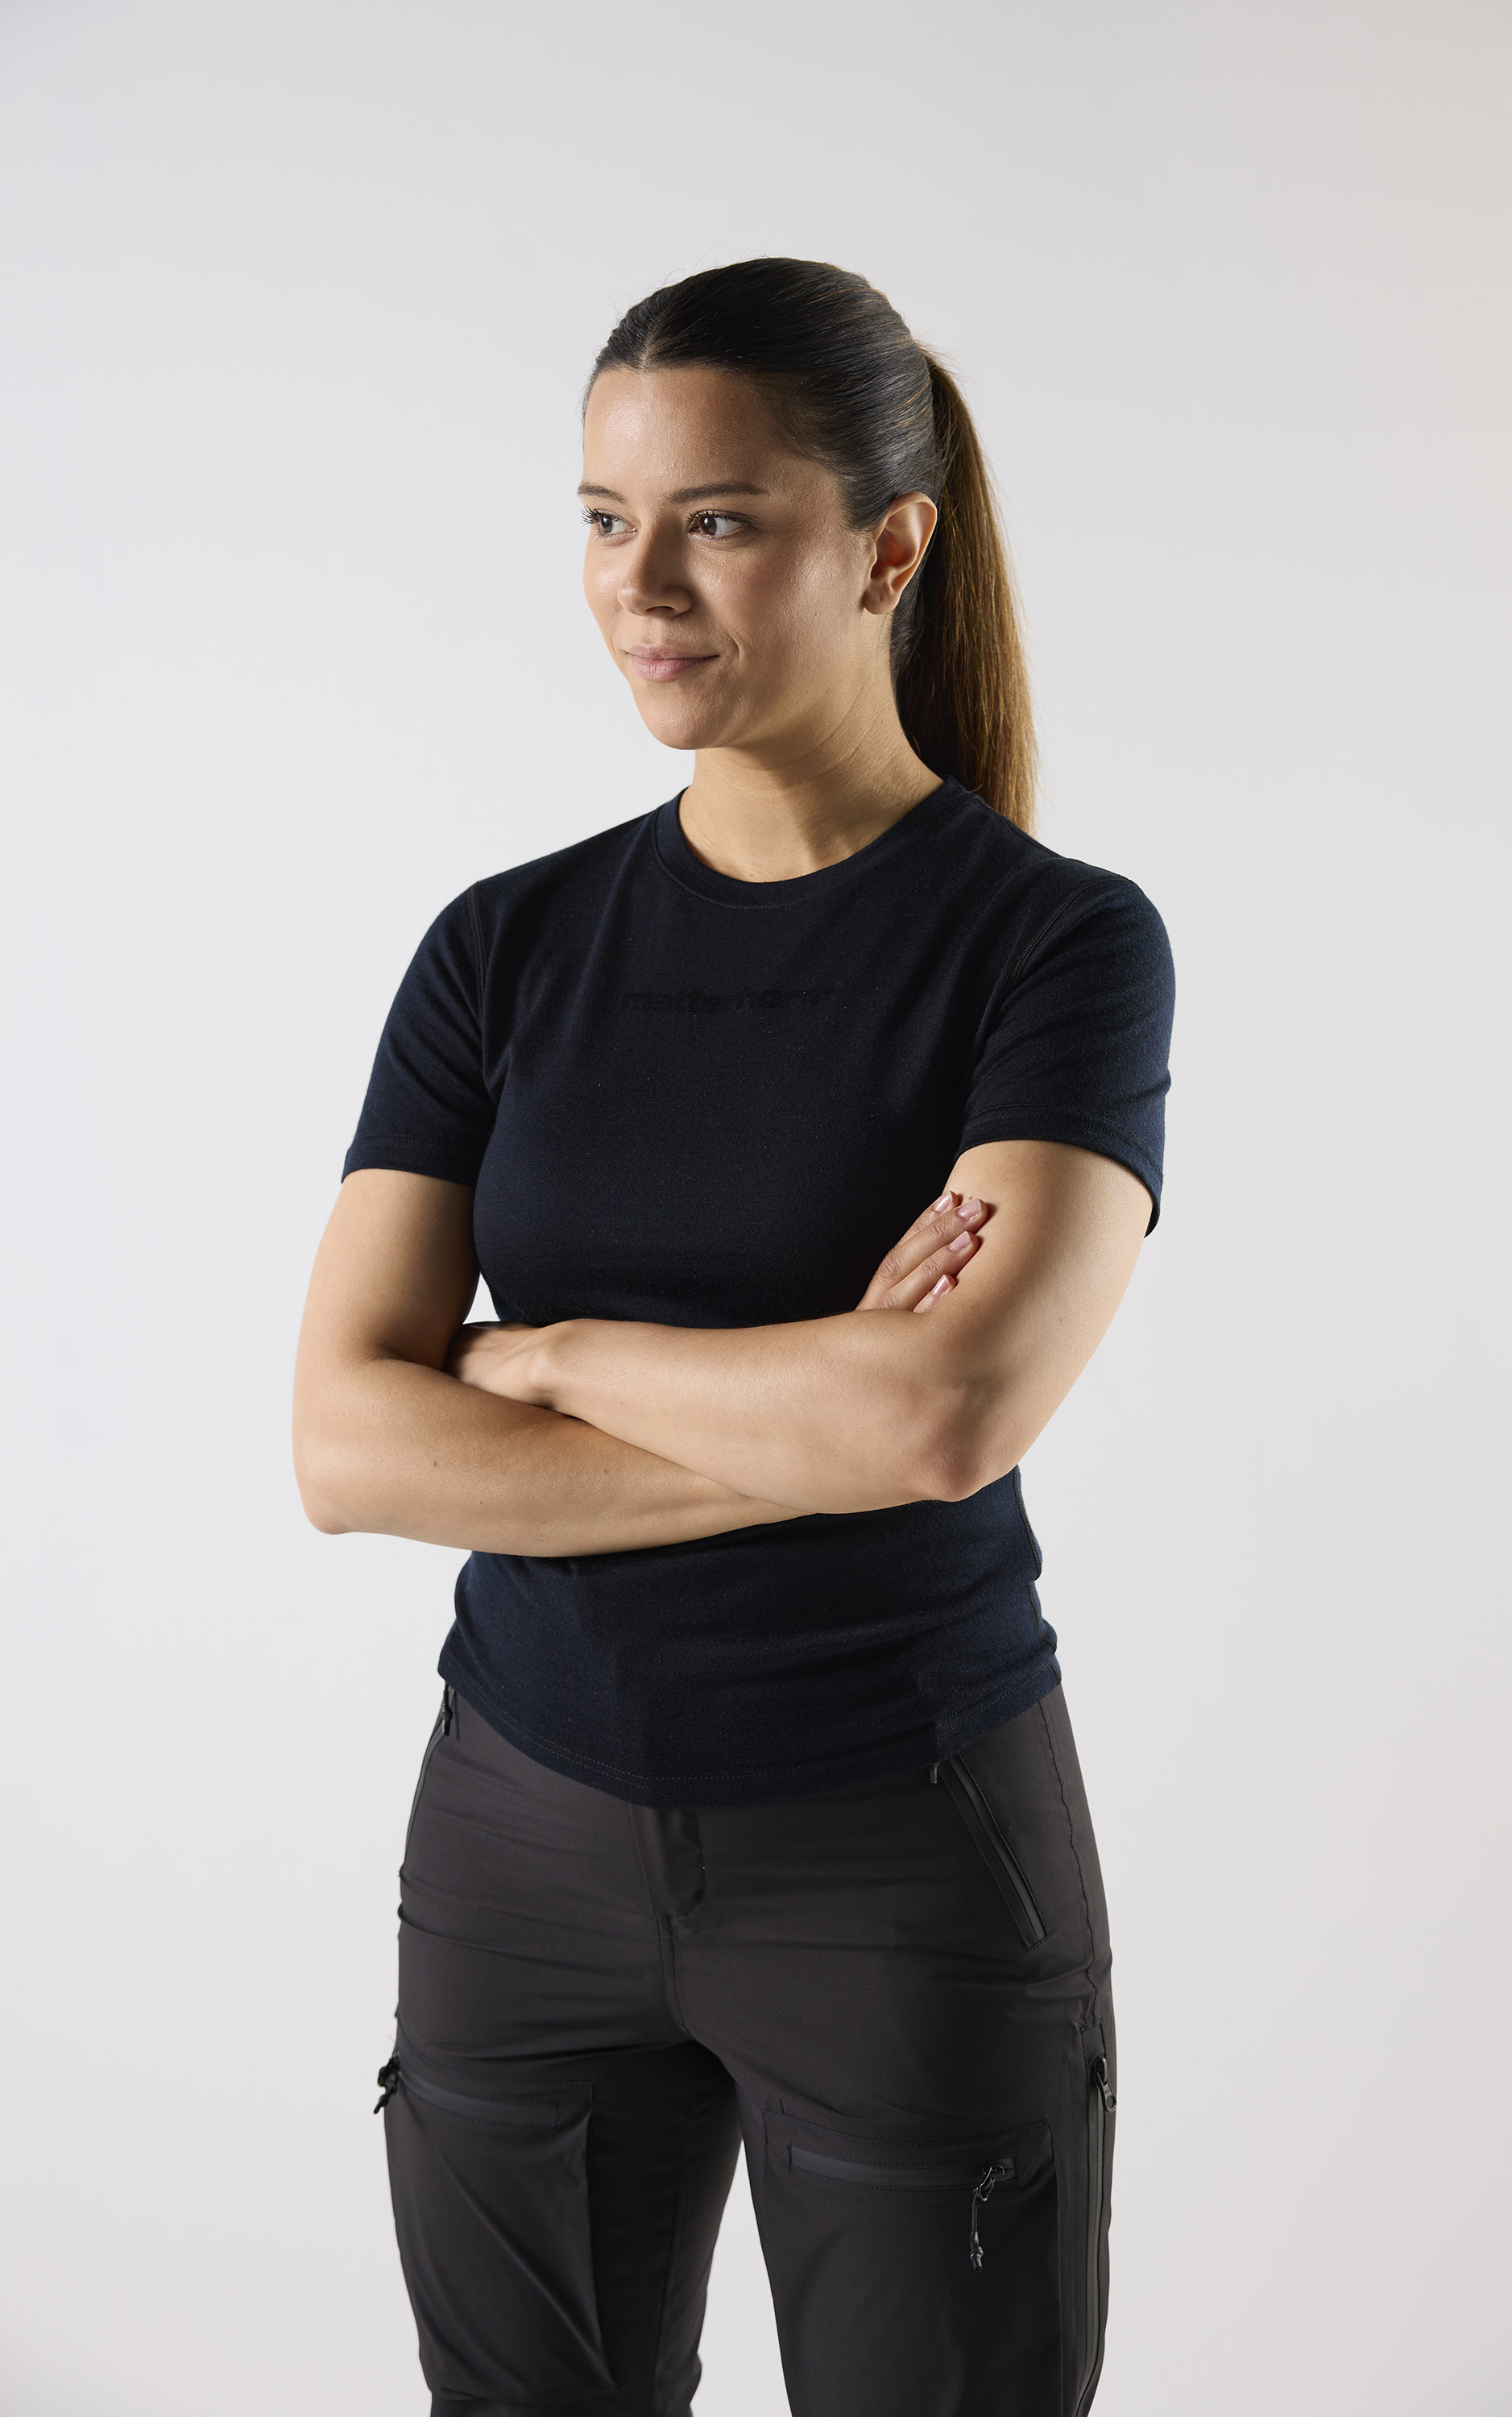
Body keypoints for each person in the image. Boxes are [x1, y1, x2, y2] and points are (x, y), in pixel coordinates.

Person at [292, 255, 1174, 2417]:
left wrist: (545, 1354)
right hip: (515, 1838)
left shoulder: (1052, 951)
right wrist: (807, 1406)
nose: (640, 583)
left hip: (894, 1845)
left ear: (887, 548)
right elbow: (348, 1447)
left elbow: (943, 1416)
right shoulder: (503, 949)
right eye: (605, 519)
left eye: (717, 520)